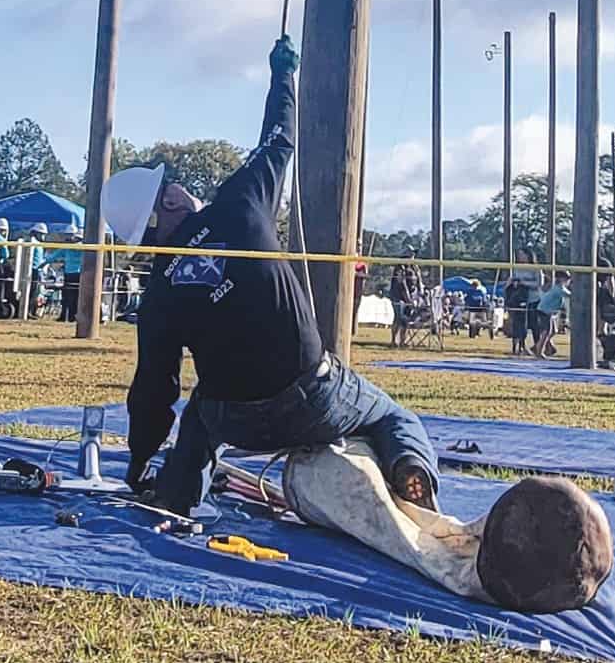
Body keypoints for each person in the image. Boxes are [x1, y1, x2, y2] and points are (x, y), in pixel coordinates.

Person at [115, 34, 439, 519]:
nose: (179, 183)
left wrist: (140, 461)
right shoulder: (239, 203)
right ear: (166, 204)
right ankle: (410, 469)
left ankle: (176, 495)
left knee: (201, 412)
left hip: (235, 419)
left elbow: (154, 390)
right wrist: (282, 76)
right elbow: (278, 139)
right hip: (312, 396)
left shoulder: (158, 292)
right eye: (170, 183)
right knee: (394, 415)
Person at [532, 271, 570, 357]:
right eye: (566, 278)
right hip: (545, 311)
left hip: (548, 311)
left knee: (553, 331)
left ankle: (537, 346)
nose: (568, 281)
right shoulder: (559, 289)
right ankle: (539, 351)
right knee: (547, 331)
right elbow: (569, 295)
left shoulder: (559, 288)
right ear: (561, 279)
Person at [503, 273, 531, 355]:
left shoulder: (524, 289)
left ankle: (521, 347)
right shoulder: (509, 289)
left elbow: (525, 299)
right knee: (514, 330)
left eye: (517, 281)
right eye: (514, 281)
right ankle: (514, 348)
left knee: (522, 330)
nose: (515, 283)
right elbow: (507, 299)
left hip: (522, 311)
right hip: (513, 311)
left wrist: (522, 304)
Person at [389, 263, 411, 348]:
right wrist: (408, 298)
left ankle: (402, 341)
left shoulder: (412, 267)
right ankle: (393, 341)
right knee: (398, 319)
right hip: (398, 298)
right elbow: (401, 283)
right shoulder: (399, 267)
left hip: (407, 299)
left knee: (405, 321)